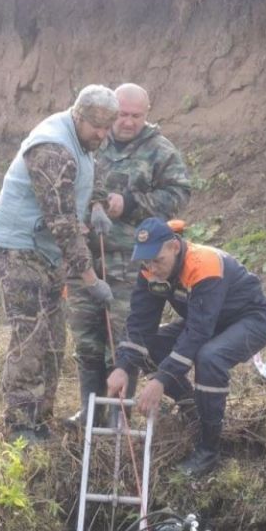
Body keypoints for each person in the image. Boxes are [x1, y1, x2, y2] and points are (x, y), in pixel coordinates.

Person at [0, 84, 119, 444]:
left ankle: (41, 419)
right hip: (19, 246)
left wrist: (96, 203)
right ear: (78, 115)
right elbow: (61, 225)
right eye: (97, 127)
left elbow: (94, 169)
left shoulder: (87, 139)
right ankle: (19, 425)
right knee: (31, 333)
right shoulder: (51, 150)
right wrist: (90, 279)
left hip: (47, 250)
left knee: (55, 336)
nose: (103, 135)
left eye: (109, 127)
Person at [107, 218, 266, 476]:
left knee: (210, 358)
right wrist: (122, 366)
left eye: (157, 260)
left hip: (251, 319)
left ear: (174, 247)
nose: (152, 269)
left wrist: (161, 380)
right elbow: (141, 323)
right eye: (146, 262)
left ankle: (208, 451)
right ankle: (194, 412)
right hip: (208, 321)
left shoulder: (204, 265)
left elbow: (198, 333)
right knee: (152, 346)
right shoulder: (150, 271)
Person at [66, 82, 191, 425]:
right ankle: (91, 411)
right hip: (84, 259)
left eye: (136, 116)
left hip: (131, 262)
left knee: (123, 341)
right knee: (87, 341)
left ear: (146, 115)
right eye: (122, 114)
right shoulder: (91, 140)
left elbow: (180, 194)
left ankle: (120, 416)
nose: (128, 122)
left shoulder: (160, 150)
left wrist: (133, 204)